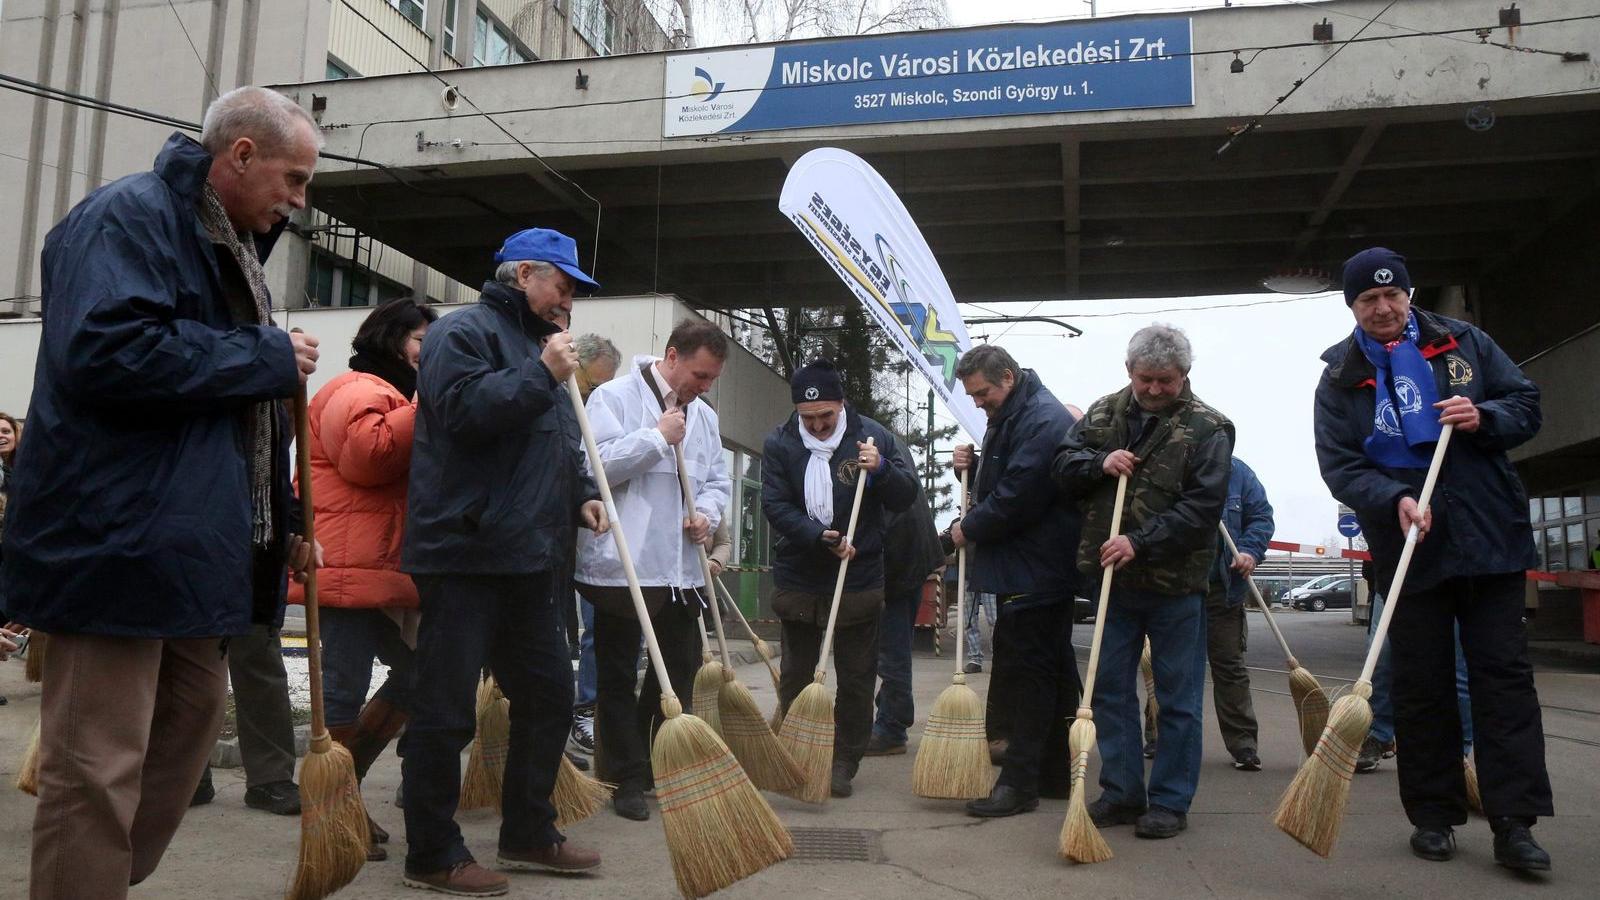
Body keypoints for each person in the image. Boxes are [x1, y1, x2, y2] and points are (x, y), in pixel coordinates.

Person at [0, 86, 322, 900]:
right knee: (96, 764)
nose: (300, 199)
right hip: (114, 534)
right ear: (240, 155)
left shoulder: (228, 245)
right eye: (294, 177)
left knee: (187, 727)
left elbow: (241, 424)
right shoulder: (126, 217)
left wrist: (281, 522)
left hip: (189, 544)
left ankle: (95, 879)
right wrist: (265, 355)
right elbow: (105, 353)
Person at [1314, 247, 1552, 870]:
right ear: (1353, 306)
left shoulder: (1465, 344)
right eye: (1369, 299)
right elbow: (1340, 465)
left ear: (1410, 295)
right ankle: (1434, 815)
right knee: (1421, 687)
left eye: (1393, 295)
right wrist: (1391, 496)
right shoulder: (1340, 375)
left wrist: (1484, 415)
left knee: (1504, 683)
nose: (1384, 308)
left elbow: (1525, 405)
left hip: (1489, 540)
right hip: (1409, 548)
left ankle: (1514, 823)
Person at [398, 227, 608, 895]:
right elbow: (463, 414)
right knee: (446, 708)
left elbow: (552, 446)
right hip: (463, 550)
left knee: (549, 692)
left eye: (575, 290)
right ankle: (431, 852)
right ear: (524, 276)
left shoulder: (538, 349)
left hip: (526, 557)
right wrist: (541, 372)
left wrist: (581, 496)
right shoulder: (463, 335)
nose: (570, 299)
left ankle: (528, 830)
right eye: (563, 284)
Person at [1052, 324, 1233, 839]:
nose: (1154, 390)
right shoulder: (1104, 413)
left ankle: (1171, 802)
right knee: (1109, 690)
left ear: (1185, 375)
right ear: (1128, 371)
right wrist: (1098, 461)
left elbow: (1203, 508)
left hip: (1177, 585)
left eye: (1166, 380)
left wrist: (1140, 541)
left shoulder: (1210, 428)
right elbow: (1062, 467)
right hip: (1112, 583)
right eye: (1145, 379)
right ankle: (1122, 792)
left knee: (1177, 697)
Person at [283, 297, 438, 859]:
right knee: (344, 691)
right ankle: (332, 812)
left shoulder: (388, 393)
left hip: (372, 567)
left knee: (419, 676)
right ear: (394, 339)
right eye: (423, 340)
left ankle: (338, 797)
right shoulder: (359, 389)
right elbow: (368, 457)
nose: (431, 352)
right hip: (348, 567)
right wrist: (431, 404)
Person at [575, 319, 732, 821]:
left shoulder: (703, 417)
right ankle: (622, 776)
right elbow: (594, 466)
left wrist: (706, 513)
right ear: (672, 356)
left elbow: (717, 481)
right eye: (700, 375)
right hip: (625, 562)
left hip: (682, 568)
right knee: (618, 672)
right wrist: (656, 438)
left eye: (711, 380)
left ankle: (648, 762)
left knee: (678, 670)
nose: (704, 387)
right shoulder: (616, 397)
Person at [762, 359, 917, 798]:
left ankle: (845, 760)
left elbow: (906, 495)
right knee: (796, 674)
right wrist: (817, 536)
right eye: (808, 418)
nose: (819, 425)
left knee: (856, 675)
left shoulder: (873, 436)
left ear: (841, 403)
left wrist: (883, 468)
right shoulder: (780, 442)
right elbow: (775, 504)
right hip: (800, 574)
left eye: (826, 416)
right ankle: (800, 751)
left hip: (858, 576)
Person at [947, 344, 1084, 817]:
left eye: (982, 393)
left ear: (1007, 376)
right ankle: (1053, 773)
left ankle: (1021, 783)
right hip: (1030, 566)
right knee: (1053, 672)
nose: (978, 402)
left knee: (1032, 679)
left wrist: (963, 530)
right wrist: (975, 462)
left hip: (1037, 568)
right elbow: (1005, 474)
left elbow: (1016, 497)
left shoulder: (1043, 420)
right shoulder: (1017, 411)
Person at [863, 442, 943, 757]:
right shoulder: (883, 440)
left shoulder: (869, 446)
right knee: (891, 648)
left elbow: (891, 514)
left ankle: (891, 727)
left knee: (891, 649)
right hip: (906, 555)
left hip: (898, 560)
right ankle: (891, 721)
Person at [568, 333, 622, 759]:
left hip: (592, 536)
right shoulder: (557, 400)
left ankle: (589, 708)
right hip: (549, 537)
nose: (598, 394)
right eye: (595, 384)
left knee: (597, 631)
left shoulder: (606, 413)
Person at [1207, 456, 1275, 772]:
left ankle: (1244, 745)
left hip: (1224, 590)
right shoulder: (1171, 462)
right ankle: (1160, 738)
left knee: (1230, 668)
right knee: (1171, 670)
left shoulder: (1238, 473)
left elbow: (1261, 517)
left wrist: (1249, 550)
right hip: (1175, 591)